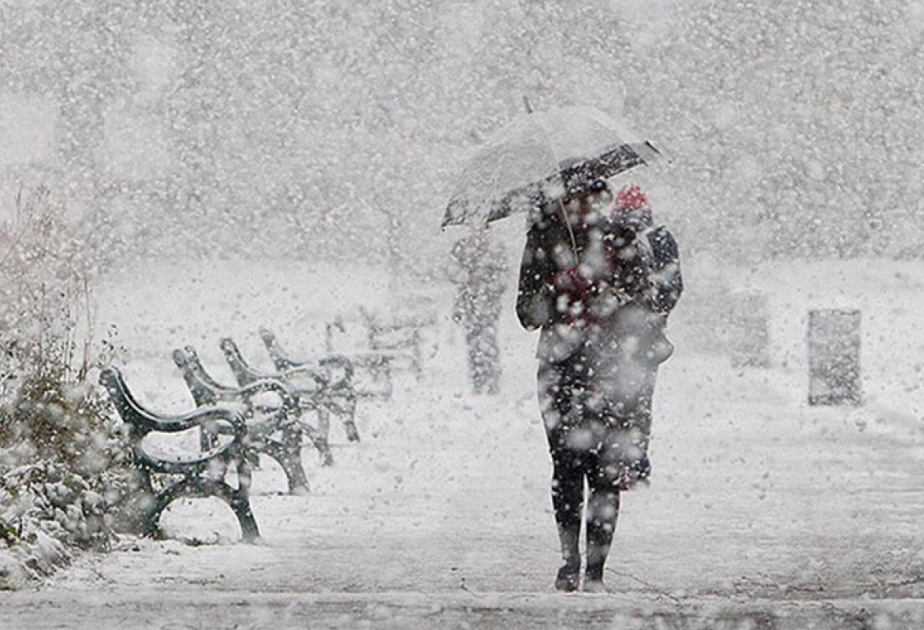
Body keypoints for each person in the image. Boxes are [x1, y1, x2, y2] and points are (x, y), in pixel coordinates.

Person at [516, 180, 683, 593]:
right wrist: (559, 288)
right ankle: (569, 561)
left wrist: (609, 296)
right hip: (559, 367)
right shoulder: (543, 240)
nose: (582, 204)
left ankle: (596, 570)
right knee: (566, 468)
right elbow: (526, 313)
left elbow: (648, 301)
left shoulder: (619, 238)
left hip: (610, 367)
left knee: (606, 471)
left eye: (590, 196)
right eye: (573, 197)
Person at [448, 226, 508, 394]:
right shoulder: (461, 247)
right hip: (469, 303)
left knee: (489, 338)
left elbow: (503, 278)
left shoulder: (495, 250)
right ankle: (478, 378)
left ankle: (492, 378)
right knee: (473, 340)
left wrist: (488, 283)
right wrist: (466, 277)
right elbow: (451, 272)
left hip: (488, 303)